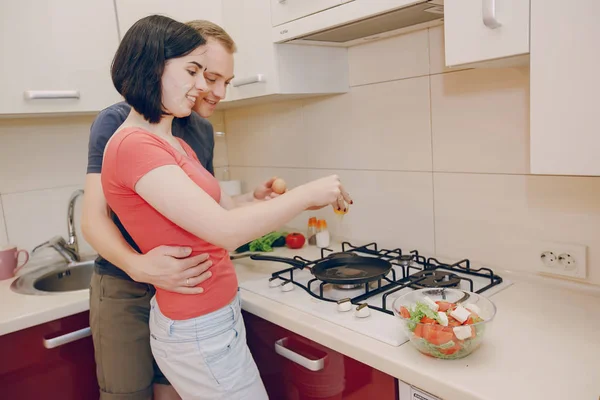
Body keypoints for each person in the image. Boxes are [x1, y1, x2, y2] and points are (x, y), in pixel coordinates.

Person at [100, 14, 351, 400]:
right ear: (152, 67)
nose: (204, 87)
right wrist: (304, 195)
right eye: (194, 72)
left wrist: (259, 200)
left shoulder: (174, 142)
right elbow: (224, 230)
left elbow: (220, 212)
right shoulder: (133, 143)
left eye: (212, 76)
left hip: (214, 315)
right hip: (197, 325)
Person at [82, 19, 276, 400]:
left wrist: (250, 202)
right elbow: (93, 218)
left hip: (184, 292)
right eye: (204, 73)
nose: (214, 90)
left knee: (174, 390)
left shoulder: (198, 129)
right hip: (124, 282)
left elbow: (200, 210)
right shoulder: (118, 123)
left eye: (224, 81)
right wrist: (139, 265)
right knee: (128, 393)